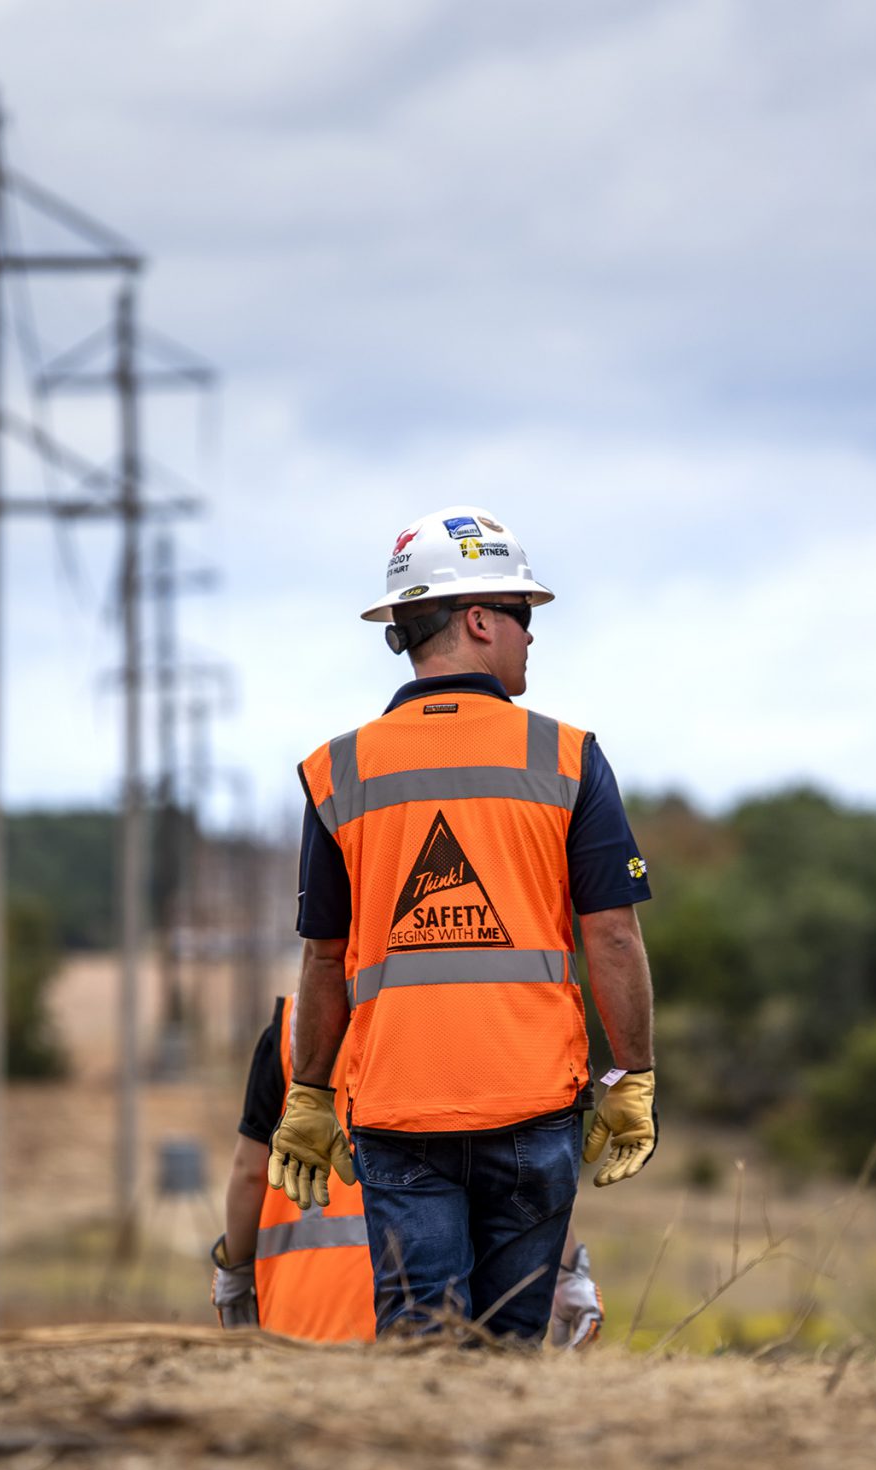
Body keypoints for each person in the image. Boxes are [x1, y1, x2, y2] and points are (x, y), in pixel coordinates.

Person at [266, 507, 657, 1343]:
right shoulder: (568, 755)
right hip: (531, 1104)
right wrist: (634, 1078)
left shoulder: (337, 769)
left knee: (420, 1347)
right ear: (478, 620)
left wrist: (308, 1091)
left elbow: (324, 959)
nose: (530, 636)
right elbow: (613, 938)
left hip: (397, 1112)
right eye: (523, 615)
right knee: (510, 1351)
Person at [213, 994, 605, 1347]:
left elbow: (251, 1170)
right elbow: (513, 1167)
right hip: (431, 1322)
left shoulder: (291, 1028)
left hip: (300, 1323)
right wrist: (568, 1271)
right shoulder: (450, 1018)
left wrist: (235, 1273)